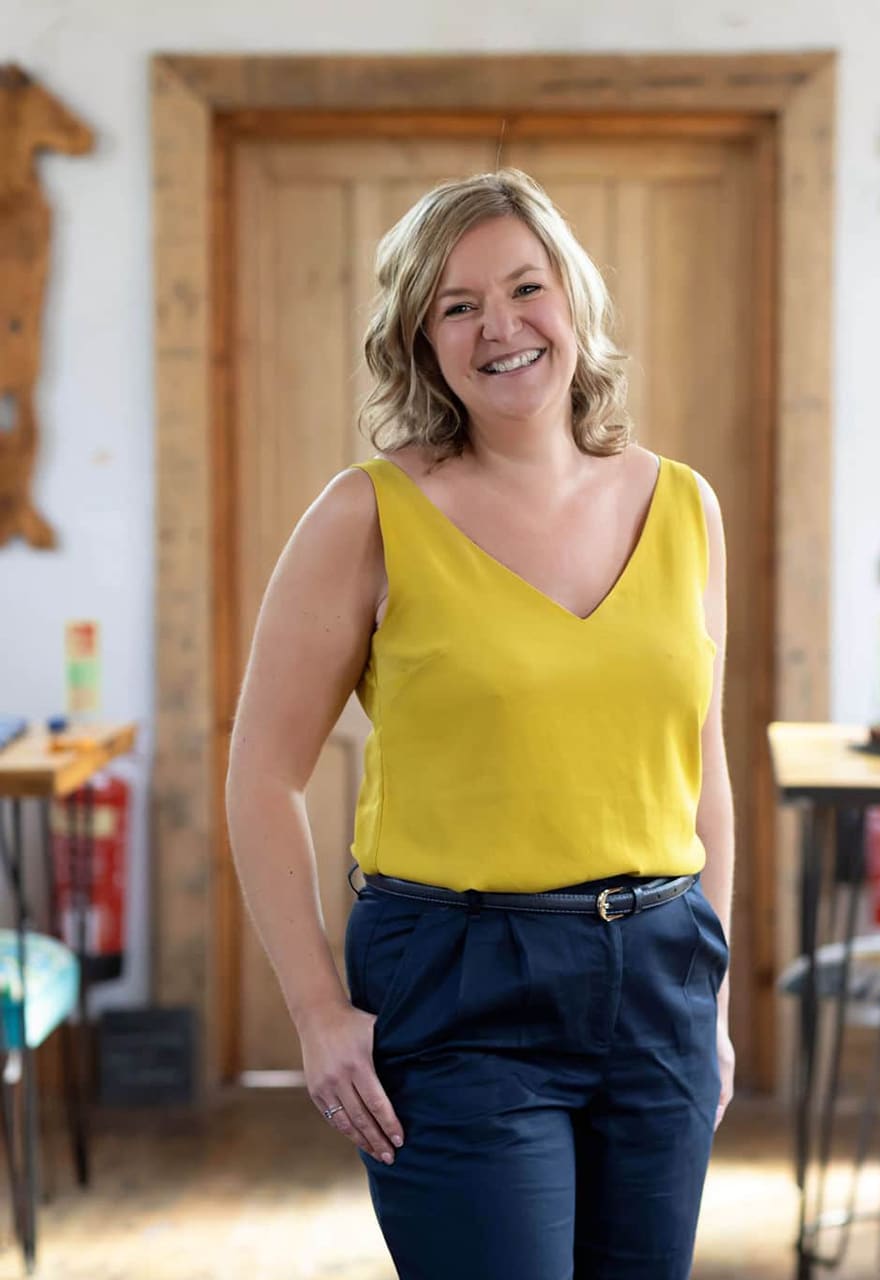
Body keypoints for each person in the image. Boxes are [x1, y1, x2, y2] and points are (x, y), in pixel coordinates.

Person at [226, 167, 735, 1280]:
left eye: (525, 287)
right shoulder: (365, 513)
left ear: (576, 301)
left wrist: (715, 998)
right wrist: (316, 1010)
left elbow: (699, 757)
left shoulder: (685, 507)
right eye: (457, 305)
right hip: (456, 986)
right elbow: (262, 774)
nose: (499, 326)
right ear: (422, 338)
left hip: (660, 981)